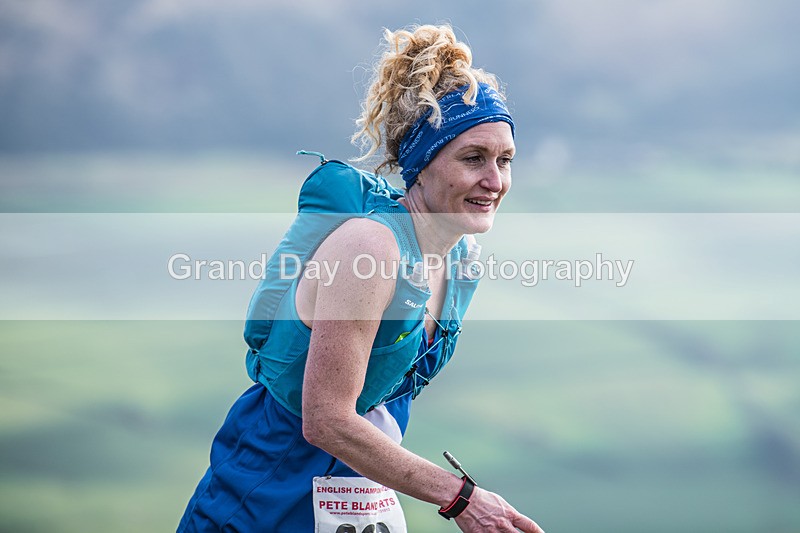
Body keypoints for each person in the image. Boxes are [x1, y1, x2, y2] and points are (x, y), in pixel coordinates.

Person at [177, 24, 544, 532]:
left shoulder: (461, 263)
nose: (495, 180)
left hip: (354, 512)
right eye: (473, 158)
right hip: (261, 503)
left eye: (505, 160)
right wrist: (462, 499)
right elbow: (326, 418)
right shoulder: (369, 247)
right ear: (423, 163)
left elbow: (381, 405)